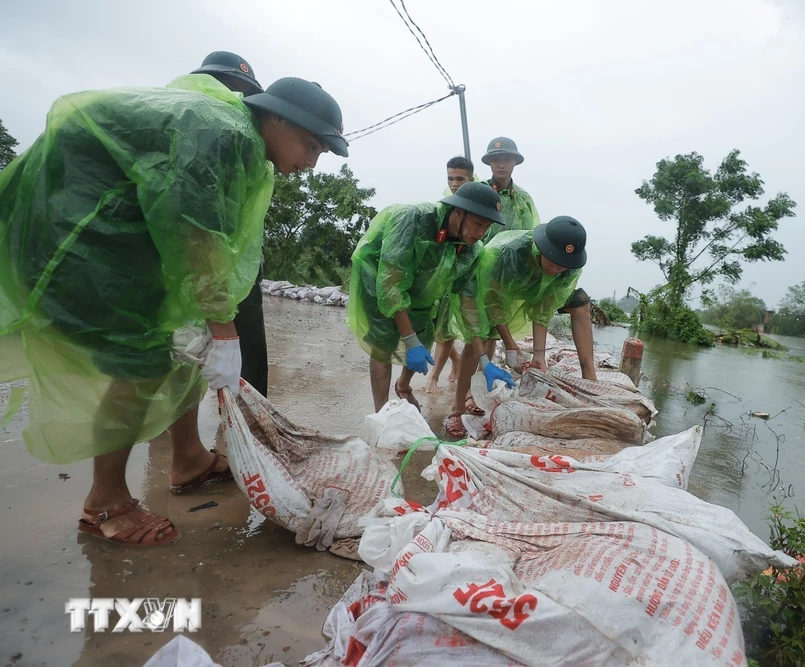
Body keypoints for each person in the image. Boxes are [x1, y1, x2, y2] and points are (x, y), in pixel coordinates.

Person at [0, 73, 349, 546]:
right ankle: (106, 500)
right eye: (309, 145)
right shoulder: (222, 134)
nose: (310, 162)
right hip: (77, 233)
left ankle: (187, 459)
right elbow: (195, 233)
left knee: (173, 351)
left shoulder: (240, 141)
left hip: (114, 234)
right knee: (139, 361)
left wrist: (213, 321)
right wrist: (224, 330)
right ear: (274, 117)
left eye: (319, 153)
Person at [347, 182, 511, 412]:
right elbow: (391, 283)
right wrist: (408, 339)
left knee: (423, 336)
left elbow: (468, 303)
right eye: (478, 224)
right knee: (383, 343)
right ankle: (381, 413)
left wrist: (484, 360)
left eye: (487, 227)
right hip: (379, 282)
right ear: (458, 212)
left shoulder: (472, 250)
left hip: (423, 293)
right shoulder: (413, 220)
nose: (481, 233)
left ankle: (403, 385)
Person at [445, 217, 589, 438]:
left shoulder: (567, 269)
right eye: (552, 262)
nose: (556, 269)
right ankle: (457, 409)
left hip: (521, 289)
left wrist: (539, 356)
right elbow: (493, 302)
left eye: (562, 266)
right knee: (477, 342)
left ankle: (475, 394)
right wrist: (511, 346)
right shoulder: (508, 254)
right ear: (541, 249)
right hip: (483, 285)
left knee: (491, 339)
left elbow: (544, 307)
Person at [192, 51, 270, 396]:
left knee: (249, 354)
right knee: (184, 354)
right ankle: (180, 442)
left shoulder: (248, 150)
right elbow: (197, 233)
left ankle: (251, 429)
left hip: (242, 267)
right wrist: (223, 334)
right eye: (227, 89)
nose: (233, 101)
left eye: (241, 95)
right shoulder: (195, 133)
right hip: (202, 268)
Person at [424, 156, 476, 395]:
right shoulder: (447, 200)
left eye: (460, 179)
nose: (454, 183)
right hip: (444, 266)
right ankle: (454, 359)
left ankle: (433, 378)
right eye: (451, 178)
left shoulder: (480, 202)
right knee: (438, 324)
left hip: (466, 268)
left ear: (471, 179)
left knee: (445, 326)